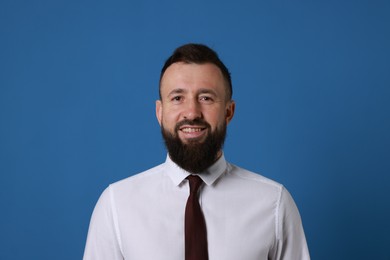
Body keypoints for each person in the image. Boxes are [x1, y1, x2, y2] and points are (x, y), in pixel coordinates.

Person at [83, 43, 310, 260]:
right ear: (160, 112)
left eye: (206, 98)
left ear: (229, 112)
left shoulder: (274, 203)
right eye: (178, 98)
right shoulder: (116, 205)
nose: (192, 112)